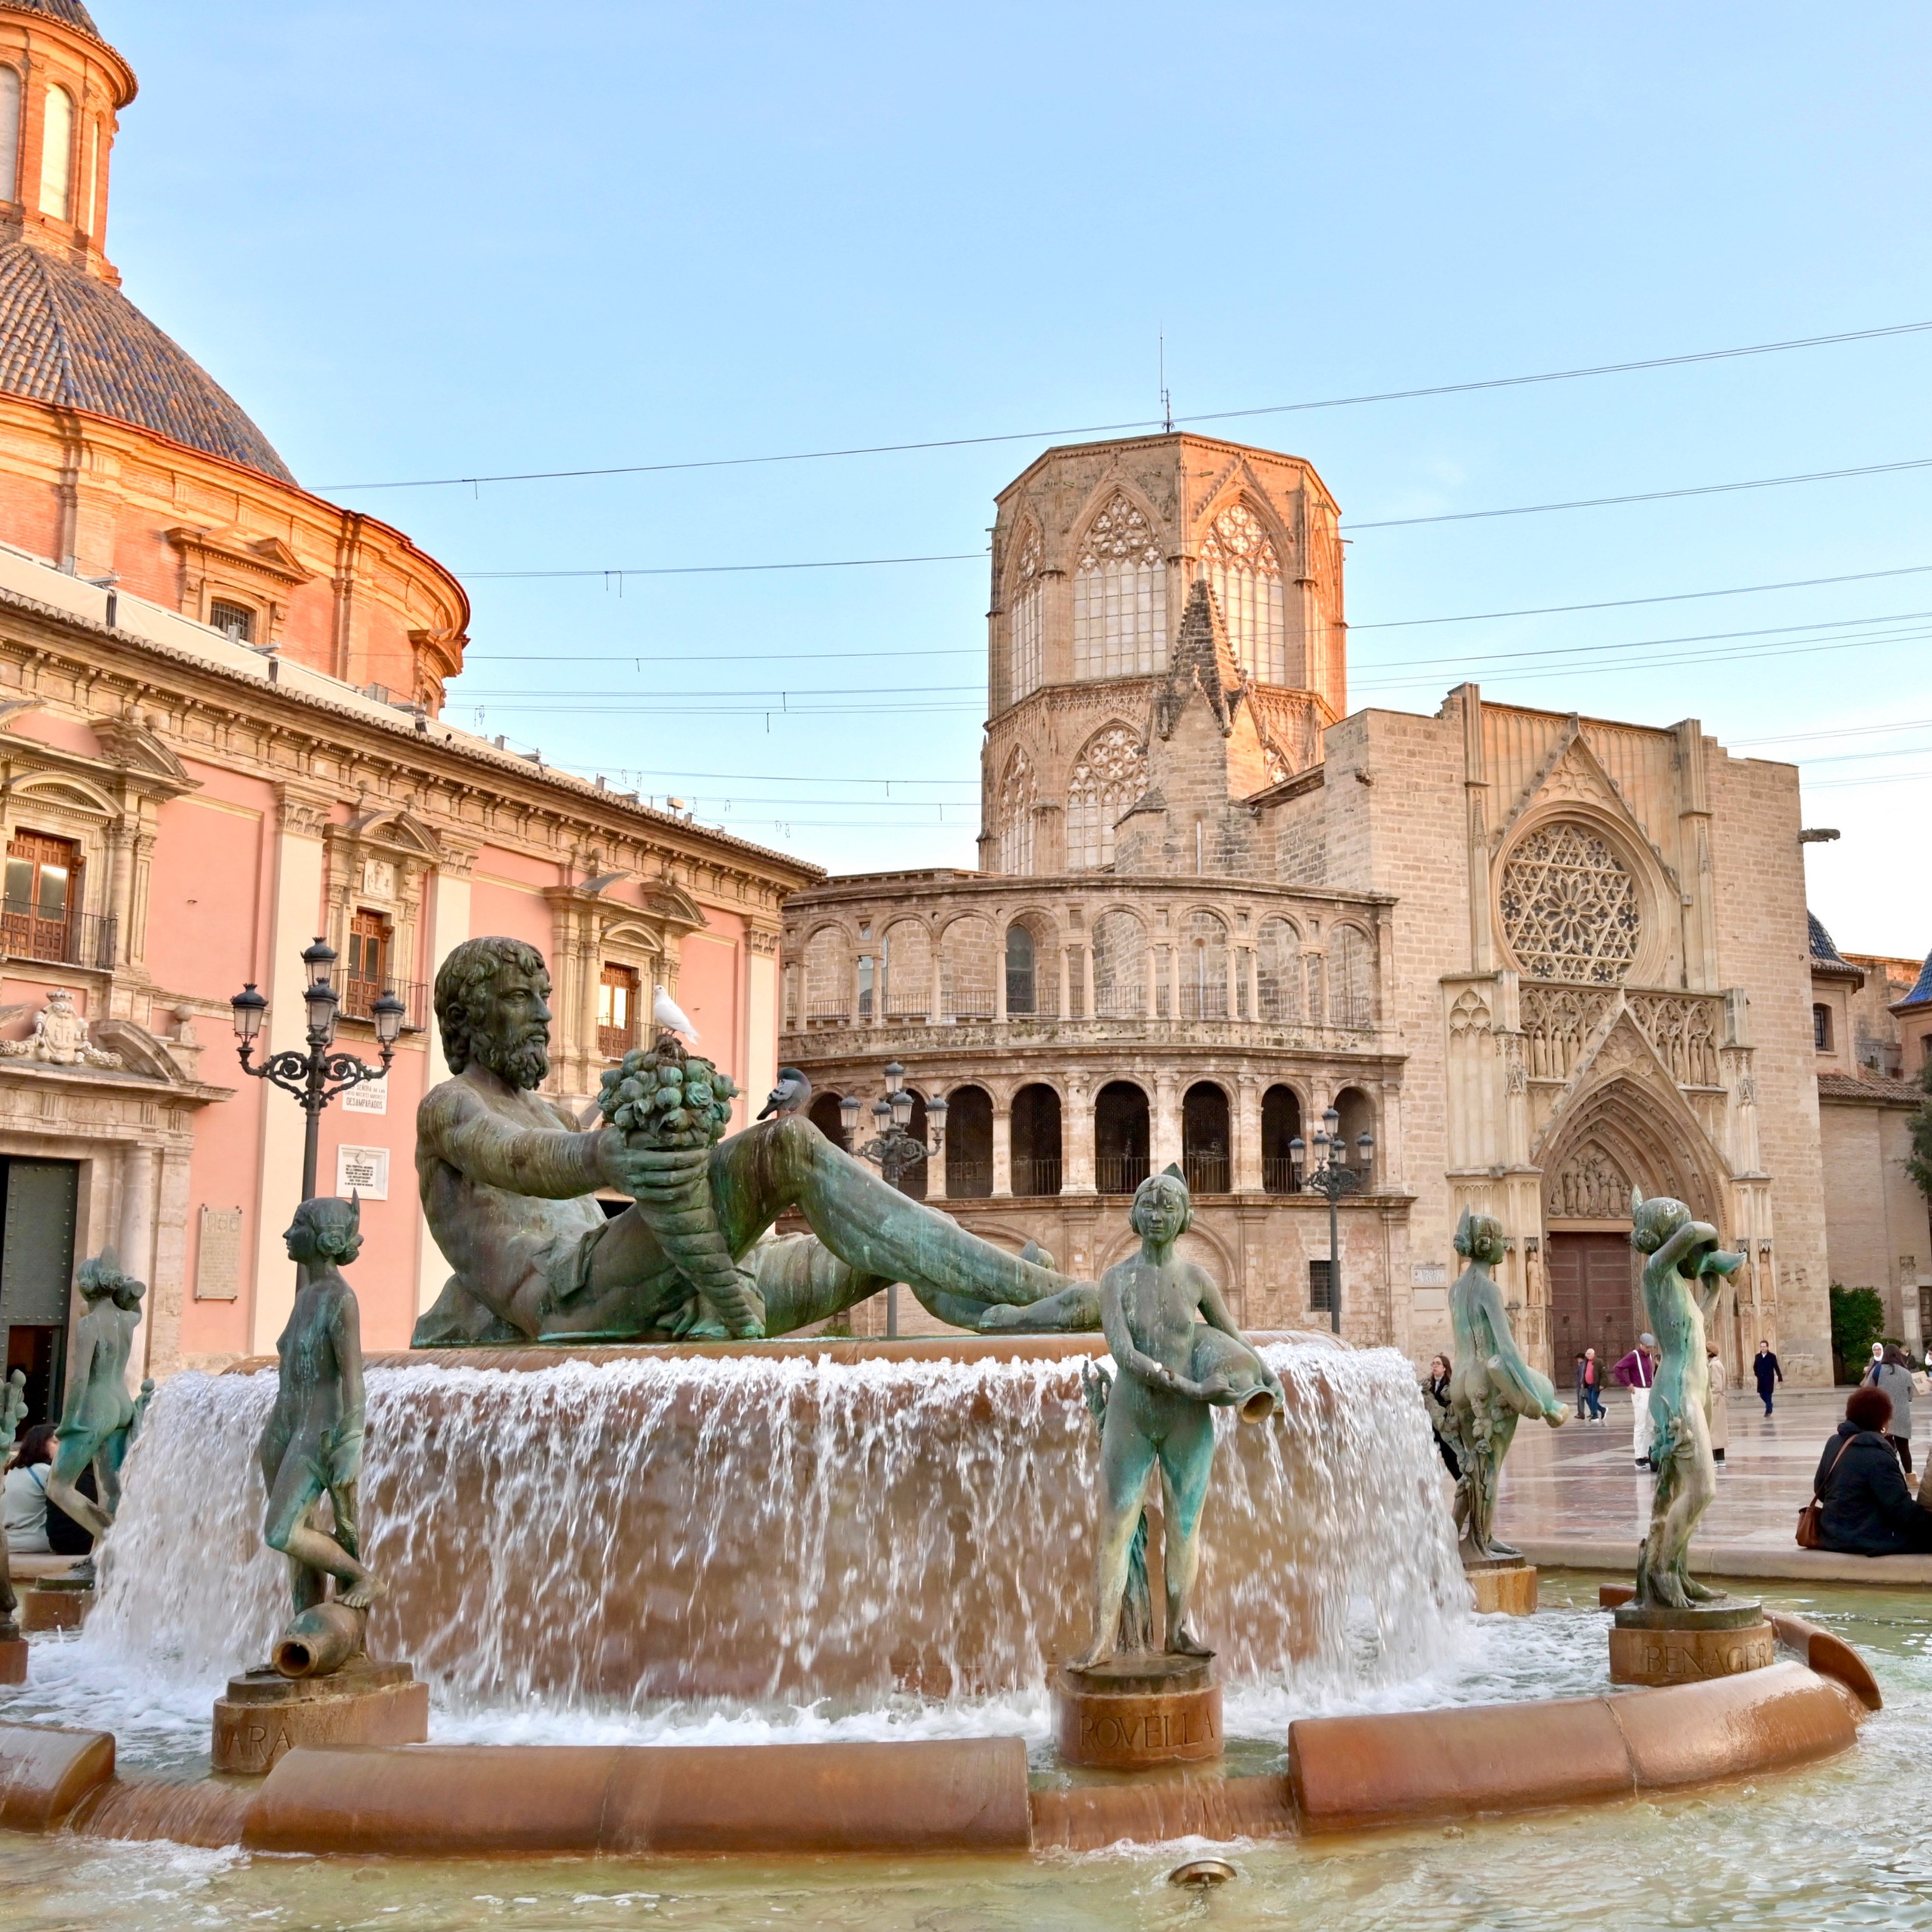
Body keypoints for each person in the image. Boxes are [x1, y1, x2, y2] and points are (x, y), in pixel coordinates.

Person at [1073, 1168, 1283, 1667]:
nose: (1157, 1214)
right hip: (1133, 1414)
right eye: (1148, 1205)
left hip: (1188, 1420)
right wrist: (1188, 1385)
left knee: (1185, 1527)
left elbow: (1233, 1337)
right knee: (1116, 1524)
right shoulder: (1116, 1279)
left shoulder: (1196, 1279)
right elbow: (1123, 1353)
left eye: (1168, 1206)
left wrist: (1267, 1375)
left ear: (1186, 1216)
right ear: (1134, 1215)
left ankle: (1179, 1630)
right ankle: (1102, 1637)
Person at [260, 1197, 385, 1614]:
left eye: (297, 1225)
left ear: (324, 1239)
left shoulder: (339, 1299)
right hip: (283, 1428)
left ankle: (362, 1577)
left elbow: (353, 1376)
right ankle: (304, 1625)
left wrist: (351, 1442)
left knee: (281, 1531)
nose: (287, 1234)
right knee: (299, 1540)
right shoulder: (307, 1295)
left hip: (318, 1431)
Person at [1813, 1385, 1932, 1556]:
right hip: (1866, 1537)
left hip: (1831, 1533)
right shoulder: (1878, 1455)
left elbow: (1820, 1490)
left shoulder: (1835, 1442)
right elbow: (1900, 1510)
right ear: (1882, 1419)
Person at [2, 1420, 54, 1555]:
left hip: (10, 1541)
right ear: (40, 1445)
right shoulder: (46, 1472)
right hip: (37, 1541)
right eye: (55, 1442)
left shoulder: (13, 1471)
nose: (62, 1447)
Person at [1613, 1334, 1660, 1467]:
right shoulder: (1634, 1356)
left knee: (1650, 1425)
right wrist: (1628, 1384)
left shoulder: (1649, 1356)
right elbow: (1617, 1368)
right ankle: (1638, 1456)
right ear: (1641, 1344)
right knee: (1640, 1425)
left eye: (1651, 1348)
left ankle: (1647, 1454)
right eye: (1647, 1347)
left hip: (1650, 1391)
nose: (1649, 1350)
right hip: (1639, 1392)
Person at [1869, 1346, 1916, 1474]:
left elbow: (1869, 1390)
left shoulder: (1877, 1370)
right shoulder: (1906, 1372)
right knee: (1904, 1448)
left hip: (1883, 1415)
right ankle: (1909, 1475)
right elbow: (1910, 1395)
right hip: (1902, 1415)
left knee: (1886, 1447)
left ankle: (1888, 1474)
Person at [1421, 1355, 1460, 1478]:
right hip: (1430, 1429)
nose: (1434, 1366)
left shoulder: (1450, 1384)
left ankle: (1462, 1482)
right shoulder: (1427, 1384)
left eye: (1438, 1363)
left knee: (1451, 1459)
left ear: (1445, 1368)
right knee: (1425, 1459)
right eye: (1433, 1364)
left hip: (1444, 1427)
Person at [1706, 1346, 1729, 1465]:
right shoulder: (1717, 1364)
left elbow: (1717, 1386)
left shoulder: (1714, 1365)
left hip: (1716, 1402)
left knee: (1714, 1430)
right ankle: (1720, 1458)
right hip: (1719, 1401)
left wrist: (1710, 1401)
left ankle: (1715, 1459)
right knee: (1718, 1431)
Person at [1753, 1341, 1783, 1417]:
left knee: (1769, 1394)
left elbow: (1776, 1367)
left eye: (1764, 1346)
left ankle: (1768, 1411)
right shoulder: (1758, 1356)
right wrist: (1757, 1374)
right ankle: (1770, 1405)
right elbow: (1755, 1366)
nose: (1762, 1348)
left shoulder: (1772, 1356)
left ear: (1767, 1347)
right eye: (1761, 1346)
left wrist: (1780, 1377)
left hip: (1769, 1379)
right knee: (1761, 1394)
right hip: (1761, 1379)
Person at [1580, 1347, 1605, 1421]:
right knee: (1590, 1400)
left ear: (1593, 1354)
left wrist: (1602, 1384)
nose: (1587, 1355)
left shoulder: (1599, 1362)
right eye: (1586, 1354)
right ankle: (1602, 1410)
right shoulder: (1586, 1362)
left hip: (1596, 1384)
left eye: (1589, 1354)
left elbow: (1603, 1374)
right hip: (1588, 1385)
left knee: (1593, 1400)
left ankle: (1595, 1415)